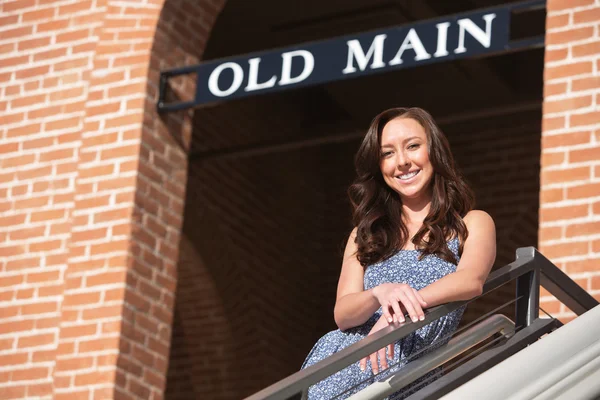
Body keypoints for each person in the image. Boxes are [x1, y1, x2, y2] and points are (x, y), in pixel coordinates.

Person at [301, 107, 496, 399]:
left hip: (412, 371)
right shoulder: (364, 233)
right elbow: (343, 314)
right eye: (387, 153)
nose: (402, 162)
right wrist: (381, 294)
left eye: (413, 146)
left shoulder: (473, 222)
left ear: (435, 151)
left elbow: (470, 281)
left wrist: (396, 313)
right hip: (345, 362)